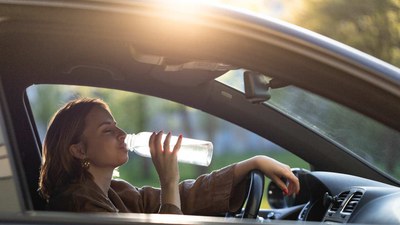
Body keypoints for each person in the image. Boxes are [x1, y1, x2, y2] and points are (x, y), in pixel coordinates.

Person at [39, 97, 299, 214]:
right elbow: (170, 197)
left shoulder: (114, 192)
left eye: (117, 125)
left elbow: (186, 197)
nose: (121, 133)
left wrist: (252, 163)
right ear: (79, 150)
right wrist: (168, 182)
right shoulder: (79, 206)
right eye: (107, 130)